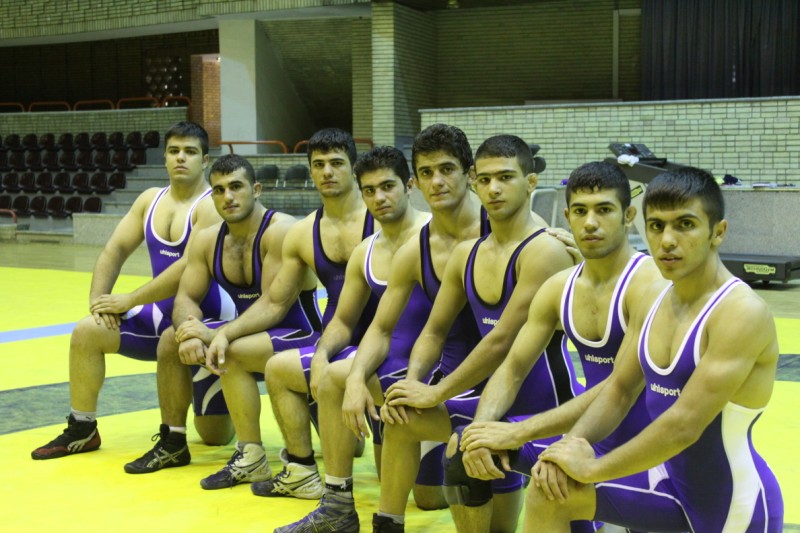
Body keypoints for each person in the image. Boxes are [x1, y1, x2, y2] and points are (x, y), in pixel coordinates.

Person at [527, 167, 784, 533]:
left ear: (718, 232)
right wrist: (570, 448)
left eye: (685, 225)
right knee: (550, 490)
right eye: (656, 226)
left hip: (730, 507)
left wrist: (593, 468)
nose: (667, 240)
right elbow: (619, 389)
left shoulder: (740, 312)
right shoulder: (654, 297)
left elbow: (683, 426)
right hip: (666, 484)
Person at [274, 123, 495, 533]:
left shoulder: (503, 232)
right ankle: (338, 503)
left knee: (431, 496)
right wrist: (357, 375)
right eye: (428, 172)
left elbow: (506, 341)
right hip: (425, 369)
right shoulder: (409, 249)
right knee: (338, 379)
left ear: (469, 175)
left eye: (447, 170)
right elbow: (381, 328)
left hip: (493, 383)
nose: (437, 181)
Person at [375, 134, 577, 533]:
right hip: (490, 400)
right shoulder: (466, 254)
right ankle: (387, 525)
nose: (494, 189)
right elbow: (433, 331)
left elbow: (502, 342)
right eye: (485, 180)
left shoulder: (544, 251)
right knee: (400, 417)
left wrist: (435, 393)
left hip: (542, 408)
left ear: (530, 183)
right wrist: (412, 384)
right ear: (473, 181)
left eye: (505, 177)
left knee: (463, 448)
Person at [449, 161, 665, 533]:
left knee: (551, 482)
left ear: (629, 216)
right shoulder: (559, 287)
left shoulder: (649, 284)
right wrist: (483, 430)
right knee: (462, 449)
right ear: (566, 217)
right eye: (580, 211)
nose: (590, 222)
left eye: (604, 210)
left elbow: (619, 387)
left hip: (646, 445)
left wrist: (522, 434)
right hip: (588, 434)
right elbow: (512, 368)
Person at [32, 121, 235, 460]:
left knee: (215, 437)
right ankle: (83, 428)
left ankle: (221, 399)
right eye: (174, 151)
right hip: (161, 318)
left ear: (205, 160)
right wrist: (99, 302)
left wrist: (130, 299)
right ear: (164, 157)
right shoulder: (149, 200)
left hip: (205, 323)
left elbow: (186, 268)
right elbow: (114, 250)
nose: (180, 158)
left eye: (189, 152)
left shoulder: (210, 205)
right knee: (87, 331)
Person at [192, 128, 379, 488]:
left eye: (336, 163)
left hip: (384, 344)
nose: (327, 171)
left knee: (424, 496)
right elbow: (276, 301)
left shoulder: (383, 221)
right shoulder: (303, 232)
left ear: (354, 169)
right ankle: (286, 466)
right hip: (336, 342)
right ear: (310, 171)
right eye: (319, 164)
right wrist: (223, 333)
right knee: (238, 354)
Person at [251, 145, 436, 504]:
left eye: (388, 187)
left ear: (409, 185)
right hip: (380, 361)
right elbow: (343, 320)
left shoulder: (437, 233)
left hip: (428, 368)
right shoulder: (366, 250)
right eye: (370, 190)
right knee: (292, 370)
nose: (379, 198)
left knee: (429, 498)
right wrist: (322, 356)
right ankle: (317, 484)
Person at [123, 154, 322, 488]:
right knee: (172, 340)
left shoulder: (281, 231)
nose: (228, 197)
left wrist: (219, 334)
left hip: (302, 333)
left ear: (256, 189)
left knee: (352, 448)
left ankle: (309, 415)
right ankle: (180, 442)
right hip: (251, 336)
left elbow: (274, 306)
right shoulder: (207, 239)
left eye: (236, 187)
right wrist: (189, 332)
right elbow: (186, 298)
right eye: (218, 190)